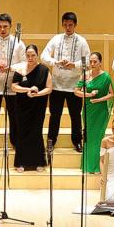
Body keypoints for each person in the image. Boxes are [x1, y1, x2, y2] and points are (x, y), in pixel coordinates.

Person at [41, 12, 91, 153]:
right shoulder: (56, 39)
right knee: (54, 114)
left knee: (75, 115)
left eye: (70, 25)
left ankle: (77, 141)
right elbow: (43, 56)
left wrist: (74, 65)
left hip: (74, 85)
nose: (68, 27)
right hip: (57, 84)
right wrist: (55, 62)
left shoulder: (82, 41)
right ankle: (51, 140)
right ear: (62, 24)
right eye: (65, 25)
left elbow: (87, 61)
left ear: (75, 25)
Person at [0, 13, 26, 147]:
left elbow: (25, 62)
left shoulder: (18, 43)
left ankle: (15, 141)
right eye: (0, 26)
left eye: (5, 27)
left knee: (13, 115)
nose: (2, 29)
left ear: (10, 27)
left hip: (12, 83)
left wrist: (11, 68)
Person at [11, 45, 52, 172]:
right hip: (22, 106)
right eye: (28, 55)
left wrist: (37, 94)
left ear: (37, 55)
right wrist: (28, 90)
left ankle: (39, 162)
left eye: (33, 55)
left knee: (36, 131)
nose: (30, 57)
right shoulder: (20, 69)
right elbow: (14, 87)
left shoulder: (44, 70)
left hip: (38, 106)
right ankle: (21, 163)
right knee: (22, 132)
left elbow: (49, 88)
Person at [74, 52, 114, 173]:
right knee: (88, 137)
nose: (92, 64)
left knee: (98, 138)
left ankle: (97, 166)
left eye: (95, 61)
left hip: (101, 110)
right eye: (90, 61)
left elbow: (112, 94)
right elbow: (76, 91)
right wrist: (88, 95)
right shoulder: (85, 75)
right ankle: (88, 165)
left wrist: (99, 99)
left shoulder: (106, 76)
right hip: (88, 109)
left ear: (100, 62)